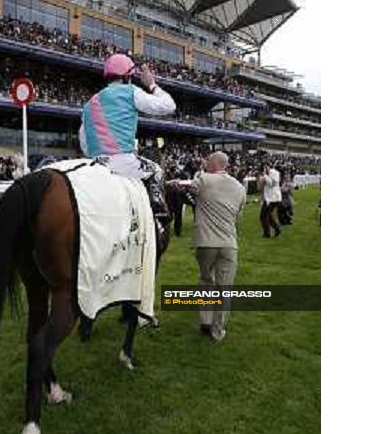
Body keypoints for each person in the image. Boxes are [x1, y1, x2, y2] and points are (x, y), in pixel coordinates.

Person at [78, 53, 176, 221]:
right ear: (126, 77)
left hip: (94, 163)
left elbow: (85, 145)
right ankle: (158, 215)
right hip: (123, 162)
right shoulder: (131, 92)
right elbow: (169, 106)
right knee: (157, 171)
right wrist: (152, 85)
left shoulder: (90, 103)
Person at [169, 152, 246, 342]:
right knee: (224, 288)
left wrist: (175, 184)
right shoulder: (238, 186)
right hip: (229, 243)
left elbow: (186, 185)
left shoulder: (204, 178)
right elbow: (238, 214)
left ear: (214, 164)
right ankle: (217, 331)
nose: (204, 163)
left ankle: (205, 321)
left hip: (206, 243)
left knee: (206, 281)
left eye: (207, 161)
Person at [259, 163, 282, 238]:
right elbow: (261, 186)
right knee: (267, 215)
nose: (265, 169)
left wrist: (265, 175)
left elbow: (271, 184)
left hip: (273, 198)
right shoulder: (269, 174)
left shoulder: (275, 173)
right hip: (270, 198)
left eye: (266, 167)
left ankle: (268, 233)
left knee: (263, 216)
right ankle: (276, 229)